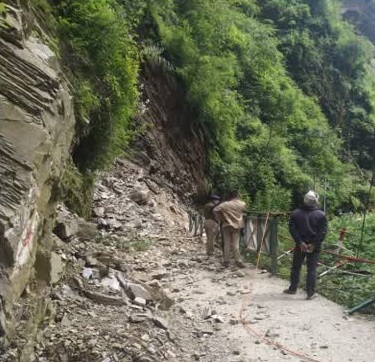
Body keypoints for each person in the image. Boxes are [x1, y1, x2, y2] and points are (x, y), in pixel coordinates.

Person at [284, 190, 327, 300]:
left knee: (296, 267)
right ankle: (310, 293)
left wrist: (300, 242)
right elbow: (322, 232)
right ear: (315, 201)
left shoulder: (296, 213)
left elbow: (292, 229)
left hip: (300, 244)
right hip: (314, 246)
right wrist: (313, 244)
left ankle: (293, 288)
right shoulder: (321, 214)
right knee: (311, 269)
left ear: (304, 200)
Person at [213, 191, 246, 268]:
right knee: (235, 244)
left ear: (230, 196)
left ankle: (226, 261)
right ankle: (238, 260)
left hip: (226, 225)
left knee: (226, 244)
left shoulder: (225, 204)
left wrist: (220, 218)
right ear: (237, 196)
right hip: (237, 225)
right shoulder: (242, 203)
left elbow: (215, 210)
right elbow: (244, 210)